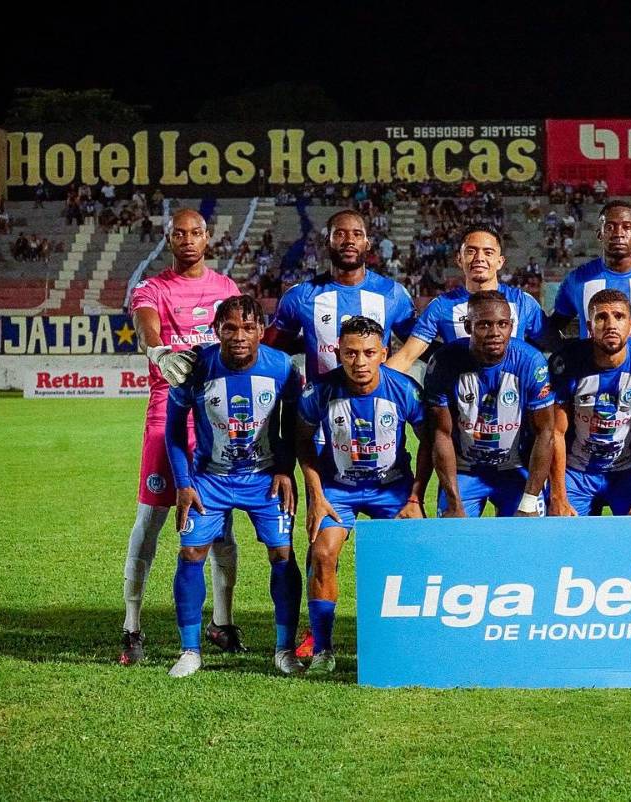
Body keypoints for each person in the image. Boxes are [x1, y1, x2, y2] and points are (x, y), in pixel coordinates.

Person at [119, 209, 243, 667]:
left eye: (195, 233)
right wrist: (158, 351)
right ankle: (132, 626)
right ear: (168, 239)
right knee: (150, 519)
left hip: (216, 421)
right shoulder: (152, 288)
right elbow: (146, 325)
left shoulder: (227, 288)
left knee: (221, 525)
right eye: (179, 233)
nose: (188, 240)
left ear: (208, 238)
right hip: (166, 417)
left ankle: (222, 622)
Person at [164, 296, 303, 678]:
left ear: (261, 330)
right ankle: (190, 650)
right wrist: (184, 484)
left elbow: (291, 425)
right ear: (216, 330)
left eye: (248, 328)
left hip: (264, 479)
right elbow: (173, 431)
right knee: (191, 552)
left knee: (282, 554)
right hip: (210, 478)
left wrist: (285, 469)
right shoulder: (195, 369)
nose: (239, 336)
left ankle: (284, 650)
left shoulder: (282, 367)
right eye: (230, 328)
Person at [296, 316, 431, 674]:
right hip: (337, 490)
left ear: (383, 353)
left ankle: (406, 644)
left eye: (369, 353)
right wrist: (316, 495)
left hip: (392, 490)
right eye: (351, 353)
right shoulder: (318, 391)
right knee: (322, 553)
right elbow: (302, 442)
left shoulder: (404, 389)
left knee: (411, 559)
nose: (360, 362)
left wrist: (415, 497)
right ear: (338, 352)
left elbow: (430, 442)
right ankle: (322, 650)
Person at [425, 291, 555, 517]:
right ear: (468, 326)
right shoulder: (443, 363)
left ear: (511, 326)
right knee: (453, 533)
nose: (495, 332)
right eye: (484, 324)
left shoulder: (531, 362)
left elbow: (545, 433)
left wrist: (529, 501)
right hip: (465, 470)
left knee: (528, 534)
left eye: (502, 324)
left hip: (516, 468)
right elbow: (441, 434)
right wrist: (454, 502)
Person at [548, 289, 631, 517]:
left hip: (627, 473)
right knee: (564, 533)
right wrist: (559, 496)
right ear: (590, 327)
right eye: (601, 317)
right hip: (576, 473)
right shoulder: (566, 363)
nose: (611, 325)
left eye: (619, 317)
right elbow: (557, 432)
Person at [264, 209, 416, 385]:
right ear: (327, 242)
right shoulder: (300, 296)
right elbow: (268, 350)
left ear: (367, 243)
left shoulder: (393, 293)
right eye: (340, 234)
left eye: (357, 234)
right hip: (321, 401)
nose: (349, 240)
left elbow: (419, 346)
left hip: (377, 400)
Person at [386, 225, 543, 373]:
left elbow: (550, 344)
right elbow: (406, 357)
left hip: (514, 392)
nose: (479, 258)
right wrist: (374, 382)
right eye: (471, 251)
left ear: (500, 262)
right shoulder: (441, 306)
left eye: (488, 252)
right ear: (459, 259)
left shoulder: (523, 302)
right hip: (461, 391)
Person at [547, 201, 631, 350]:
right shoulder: (576, 280)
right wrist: (572, 351)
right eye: (610, 227)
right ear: (600, 234)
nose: (618, 234)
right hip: (590, 366)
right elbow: (551, 328)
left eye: (627, 227)